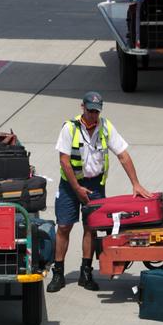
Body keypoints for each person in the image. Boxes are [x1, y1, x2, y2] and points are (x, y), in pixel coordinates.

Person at [47, 91, 152, 293]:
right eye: (90, 110)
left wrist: (136, 183)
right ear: (82, 107)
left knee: (91, 228)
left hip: (95, 185)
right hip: (71, 185)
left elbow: (123, 155)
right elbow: (64, 161)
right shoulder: (70, 128)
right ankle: (58, 273)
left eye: (96, 111)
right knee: (64, 226)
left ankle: (86, 272)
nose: (93, 115)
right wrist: (77, 188)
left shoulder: (105, 127)